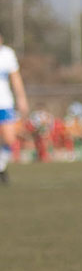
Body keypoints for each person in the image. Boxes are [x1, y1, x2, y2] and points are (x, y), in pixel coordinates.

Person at [0, 32, 29, 183]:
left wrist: (22, 99)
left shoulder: (7, 54)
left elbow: (16, 79)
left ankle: (1, 166)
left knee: (9, 138)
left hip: (4, 103)